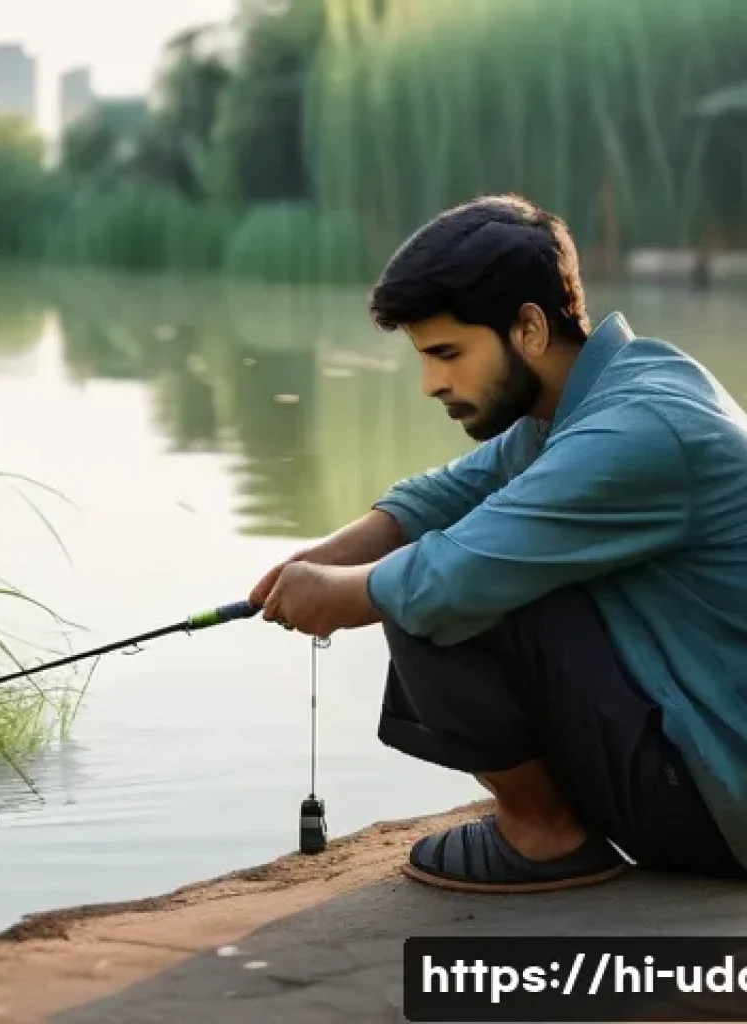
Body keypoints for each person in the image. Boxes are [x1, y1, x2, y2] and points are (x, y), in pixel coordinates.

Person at [249, 193, 747, 893]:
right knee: (442, 554)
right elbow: (440, 498)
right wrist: (312, 563)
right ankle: (553, 823)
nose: (431, 384)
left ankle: (542, 834)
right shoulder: (593, 400)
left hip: (722, 802)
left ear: (531, 329)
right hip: (706, 766)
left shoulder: (637, 429)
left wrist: (341, 594)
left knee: (433, 593)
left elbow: (445, 577)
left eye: (448, 353)